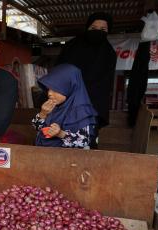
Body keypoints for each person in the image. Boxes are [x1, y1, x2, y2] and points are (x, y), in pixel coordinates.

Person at [56, 12, 117, 148]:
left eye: (103, 30)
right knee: (59, 142)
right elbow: (58, 74)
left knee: (85, 143)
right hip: (65, 105)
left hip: (91, 109)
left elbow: (105, 87)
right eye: (94, 28)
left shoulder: (109, 54)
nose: (98, 32)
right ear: (87, 28)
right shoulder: (72, 47)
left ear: (108, 32)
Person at [32, 64, 97, 148]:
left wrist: (60, 133)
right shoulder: (54, 105)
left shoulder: (82, 111)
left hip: (69, 159)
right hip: (43, 154)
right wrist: (43, 113)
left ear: (69, 87)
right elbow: (37, 128)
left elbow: (84, 141)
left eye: (55, 89)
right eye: (49, 88)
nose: (49, 93)